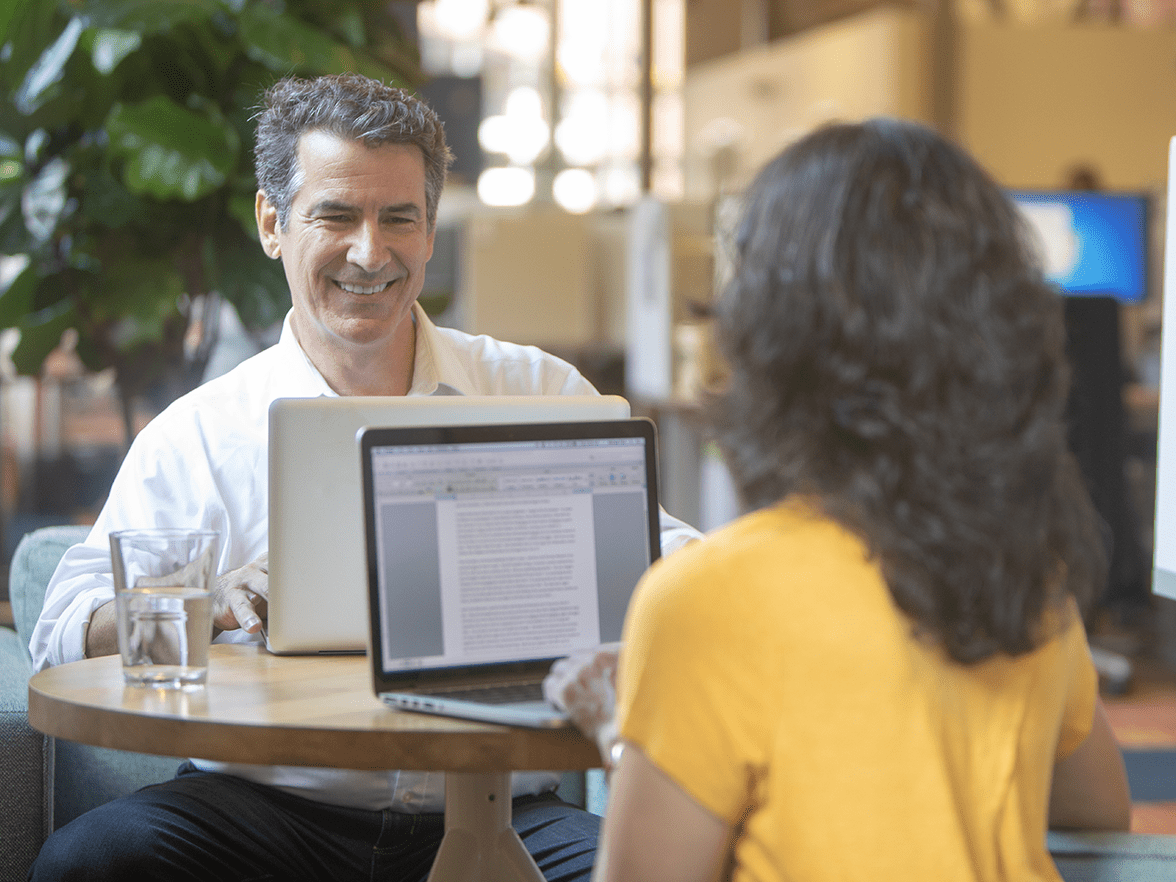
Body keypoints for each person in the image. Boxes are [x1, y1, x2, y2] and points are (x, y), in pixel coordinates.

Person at [28, 73, 699, 881]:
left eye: (399, 219)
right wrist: (197, 599)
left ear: (429, 229)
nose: (370, 252)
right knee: (91, 863)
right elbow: (62, 628)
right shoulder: (199, 433)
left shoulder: (539, 392)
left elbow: (681, 563)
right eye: (336, 215)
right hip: (262, 812)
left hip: (503, 810)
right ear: (273, 223)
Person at [545, 118, 1132, 881]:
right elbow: (1098, 812)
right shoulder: (1026, 568)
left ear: (770, 333)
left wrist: (616, 734)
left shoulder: (708, 599)